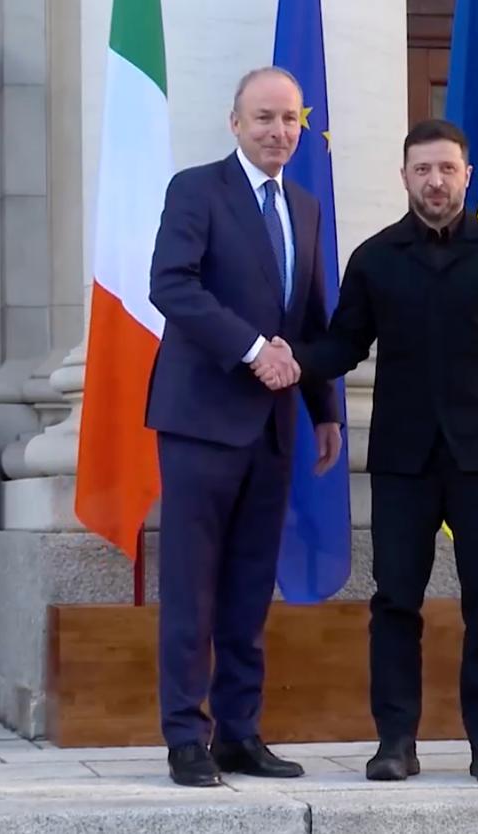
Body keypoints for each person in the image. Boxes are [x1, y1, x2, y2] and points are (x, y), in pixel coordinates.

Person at [258, 118, 478, 784]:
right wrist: (288, 358)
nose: (435, 181)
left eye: (446, 169)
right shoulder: (376, 258)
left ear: (466, 176)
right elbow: (342, 345)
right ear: (405, 177)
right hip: (401, 460)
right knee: (394, 602)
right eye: (423, 170)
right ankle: (395, 742)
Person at [146, 66, 343, 788]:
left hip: (274, 429)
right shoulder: (197, 190)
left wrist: (325, 410)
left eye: (290, 119)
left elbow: (311, 317)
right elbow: (171, 285)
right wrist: (254, 350)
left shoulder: (306, 206)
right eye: (264, 118)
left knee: (250, 587)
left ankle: (239, 733)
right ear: (235, 123)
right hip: (201, 421)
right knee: (192, 587)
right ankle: (185, 738)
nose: (278, 131)